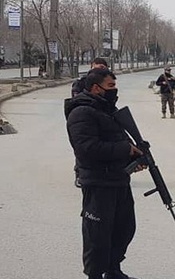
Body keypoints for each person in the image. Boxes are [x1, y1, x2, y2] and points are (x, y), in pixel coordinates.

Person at [64, 68, 146, 279]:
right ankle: (94, 275)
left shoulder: (107, 110)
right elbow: (87, 148)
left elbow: (116, 141)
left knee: (124, 229)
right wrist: (124, 150)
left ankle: (113, 270)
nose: (114, 90)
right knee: (97, 236)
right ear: (95, 88)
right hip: (99, 183)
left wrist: (133, 157)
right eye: (110, 86)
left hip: (118, 180)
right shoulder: (81, 112)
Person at [71, 57, 110, 188]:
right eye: (96, 67)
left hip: (101, 117)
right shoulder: (81, 83)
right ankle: (80, 174)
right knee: (83, 148)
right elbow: (75, 101)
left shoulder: (106, 82)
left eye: (102, 68)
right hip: (84, 118)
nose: (99, 70)